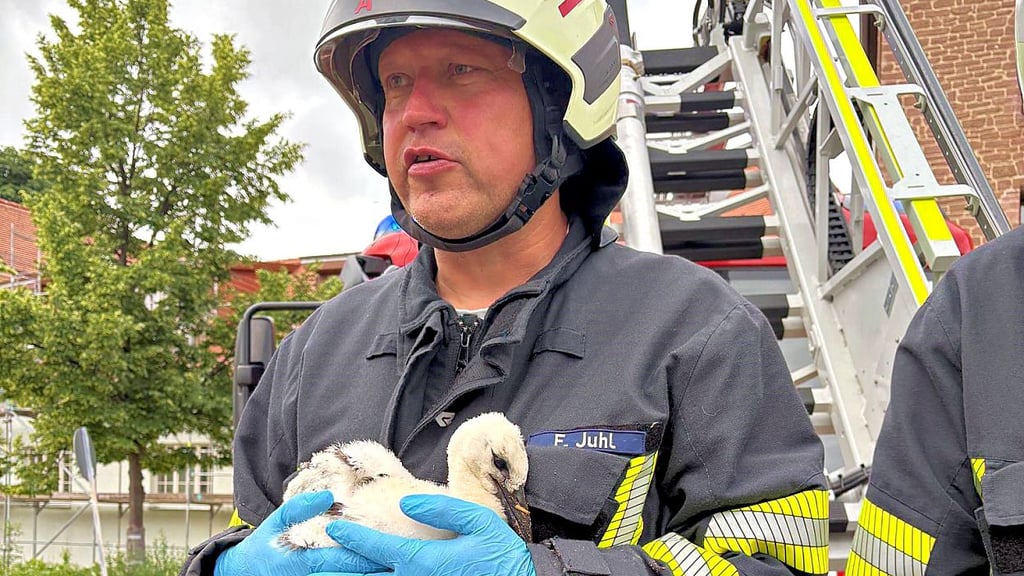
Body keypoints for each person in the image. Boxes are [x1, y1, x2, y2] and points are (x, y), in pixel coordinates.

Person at [181, 1, 828, 575]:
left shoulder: (695, 333)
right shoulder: (314, 353)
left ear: (559, 104)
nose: (415, 114)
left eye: (461, 71)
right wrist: (223, 568)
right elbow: (254, 530)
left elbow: (774, 563)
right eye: (396, 82)